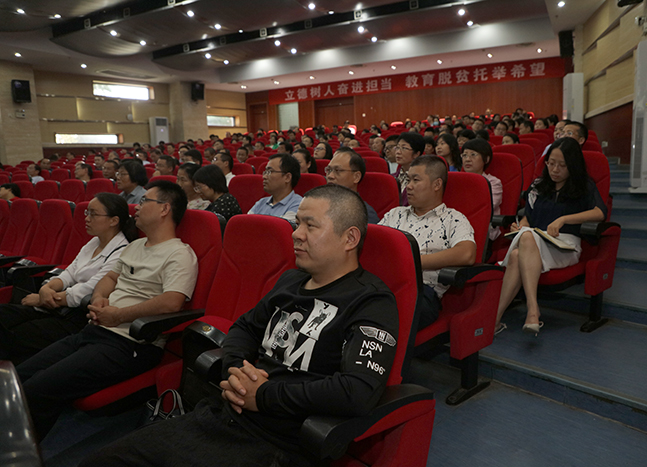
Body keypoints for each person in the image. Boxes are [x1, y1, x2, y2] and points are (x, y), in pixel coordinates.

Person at [80, 184, 398, 467]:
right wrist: (235, 371)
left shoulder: (372, 302)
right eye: (297, 223)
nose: (296, 233)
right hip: (224, 413)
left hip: (281, 442)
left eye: (310, 225)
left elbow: (357, 391)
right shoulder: (292, 280)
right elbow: (244, 328)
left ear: (350, 238)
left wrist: (264, 395)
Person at [17, 181, 198, 441]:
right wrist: (100, 298)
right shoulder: (135, 246)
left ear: (164, 209)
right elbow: (110, 278)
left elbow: (172, 302)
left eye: (145, 201)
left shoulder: (179, 254)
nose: (137, 207)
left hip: (130, 344)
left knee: (37, 390)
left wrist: (118, 315)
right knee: (19, 376)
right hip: (95, 331)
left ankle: (20, 453)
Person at [0, 193, 136, 365]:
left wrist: (44, 299)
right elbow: (69, 273)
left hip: (77, 316)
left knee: (16, 334)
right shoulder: (94, 242)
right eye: (87, 212)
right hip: (58, 305)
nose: (86, 218)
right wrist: (47, 288)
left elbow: (88, 290)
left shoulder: (121, 251)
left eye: (93, 214)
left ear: (114, 220)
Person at [494, 138, 607, 336]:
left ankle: (531, 309)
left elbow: (600, 213)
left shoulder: (584, 186)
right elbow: (528, 216)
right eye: (551, 163)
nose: (555, 169)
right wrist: (521, 225)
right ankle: (499, 319)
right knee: (517, 252)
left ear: (572, 165)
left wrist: (564, 219)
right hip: (536, 240)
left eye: (562, 165)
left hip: (565, 246)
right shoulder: (538, 185)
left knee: (523, 243)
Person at [380, 155, 476, 329]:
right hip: (382, 284)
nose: (408, 186)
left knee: (378, 311)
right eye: (408, 179)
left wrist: (411, 262)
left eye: (415, 180)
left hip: (420, 292)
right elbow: (372, 246)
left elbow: (467, 253)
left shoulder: (453, 219)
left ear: (437, 184)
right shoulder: (395, 214)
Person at [325, 147, 379, 224]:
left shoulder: (364, 214)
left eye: (338, 170)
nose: (330, 176)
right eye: (329, 170)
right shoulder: (318, 205)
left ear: (356, 177)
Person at [461, 139, 502, 241]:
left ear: (486, 159)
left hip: (482, 230)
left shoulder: (493, 183)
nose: (467, 159)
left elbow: (485, 208)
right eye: (464, 155)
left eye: (473, 155)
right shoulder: (457, 181)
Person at [248, 154, 302, 221]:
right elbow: (245, 224)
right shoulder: (261, 202)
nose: (264, 177)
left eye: (270, 172)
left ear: (287, 177)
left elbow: (281, 227)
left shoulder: (299, 204)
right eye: (265, 172)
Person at [393, 132, 425, 206]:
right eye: (397, 147)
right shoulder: (392, 177)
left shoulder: (422, 180)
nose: (398, 152)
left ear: (416, 154)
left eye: (404, 148)